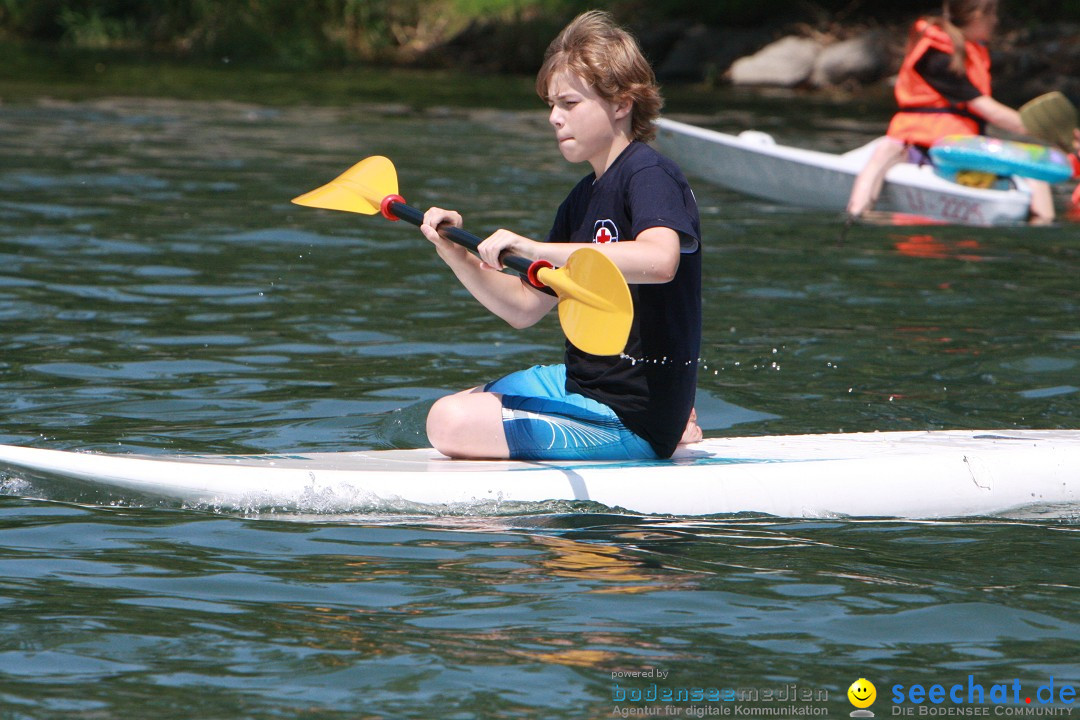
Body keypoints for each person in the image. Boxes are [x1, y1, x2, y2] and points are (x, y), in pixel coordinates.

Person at [416, 10, 702, 461]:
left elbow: (661, 260)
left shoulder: (650, 174)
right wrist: (452, 251)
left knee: (448, 421)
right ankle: (680, 417)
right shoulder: (580, 199)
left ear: (621, 103)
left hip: (630, 414)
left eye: (569, 104)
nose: (554, 118)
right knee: (467, 402)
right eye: (550, 104)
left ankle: (667, 425)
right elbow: (524, 308)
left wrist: (536, 249)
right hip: (580, 383)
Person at [846, 0, 1054, 222]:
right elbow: (989, 111)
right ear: (975, 15)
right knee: (886, 148)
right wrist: (1044, 131)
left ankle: (1043, 221)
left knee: (1034, 171)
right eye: (991, 14)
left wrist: (1049, 133)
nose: (995, 21)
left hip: (961, 149)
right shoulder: (935, 57)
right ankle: (857, 213)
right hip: (919, 145)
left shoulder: (971, 51)